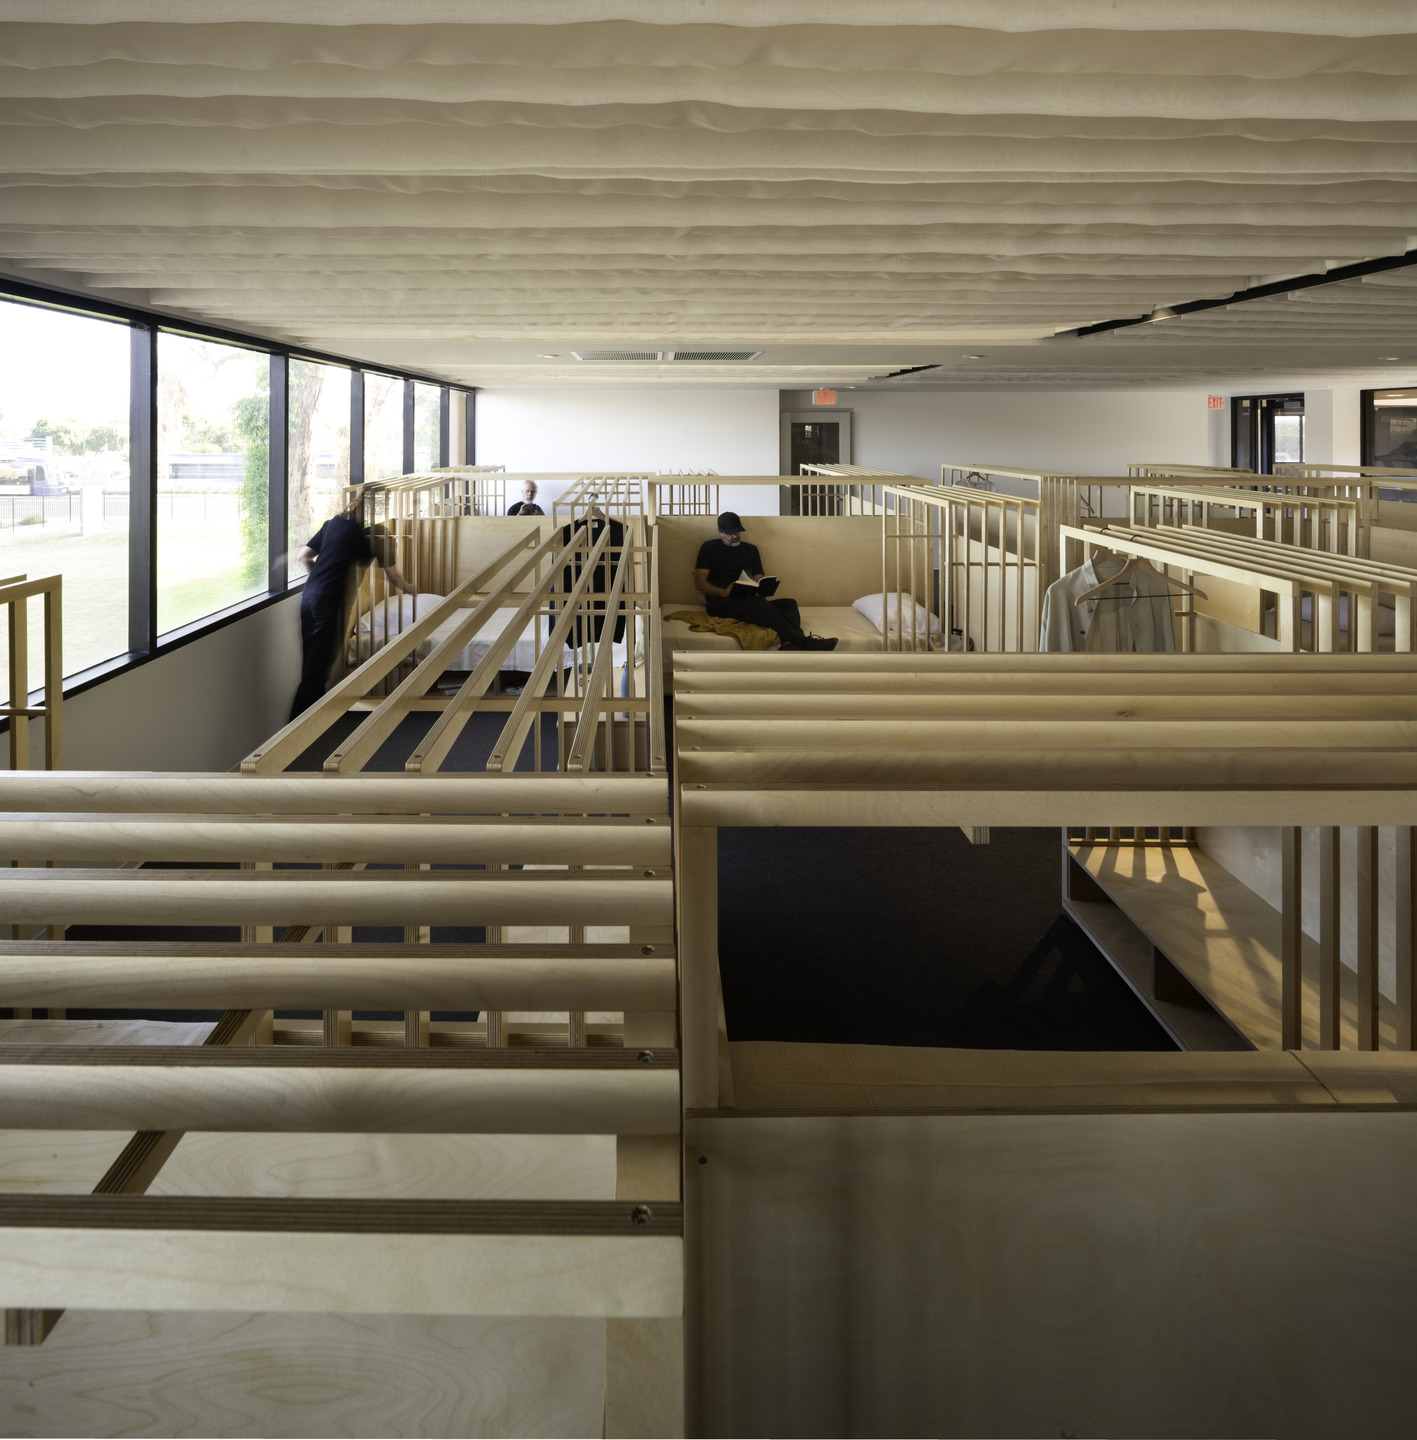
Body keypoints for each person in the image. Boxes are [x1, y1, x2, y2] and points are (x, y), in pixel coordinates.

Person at [289, 490, 418, 719]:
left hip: (309, 597)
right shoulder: (377, 534)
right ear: (381, 508)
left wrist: (318, 582)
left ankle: (311, 727)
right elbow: (392, 576)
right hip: (330, 602)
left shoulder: (333, 523)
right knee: (317, 672)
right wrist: (410, 588)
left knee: (312, 666)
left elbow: (303, 557)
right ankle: (295, 734)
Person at [693, 511, 837, 651]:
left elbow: (759, 577)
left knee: (789, 603)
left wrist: (760, 588)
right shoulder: (709, 548)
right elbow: (700, 582)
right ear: (721, 532)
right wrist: (723, 592)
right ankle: (804, 642)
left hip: (745, 599)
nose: (735, 536)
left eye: (737, 532)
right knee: (758, 604)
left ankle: (789, 644)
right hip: (721, 603)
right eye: (730, 533)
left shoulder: (751, 550)